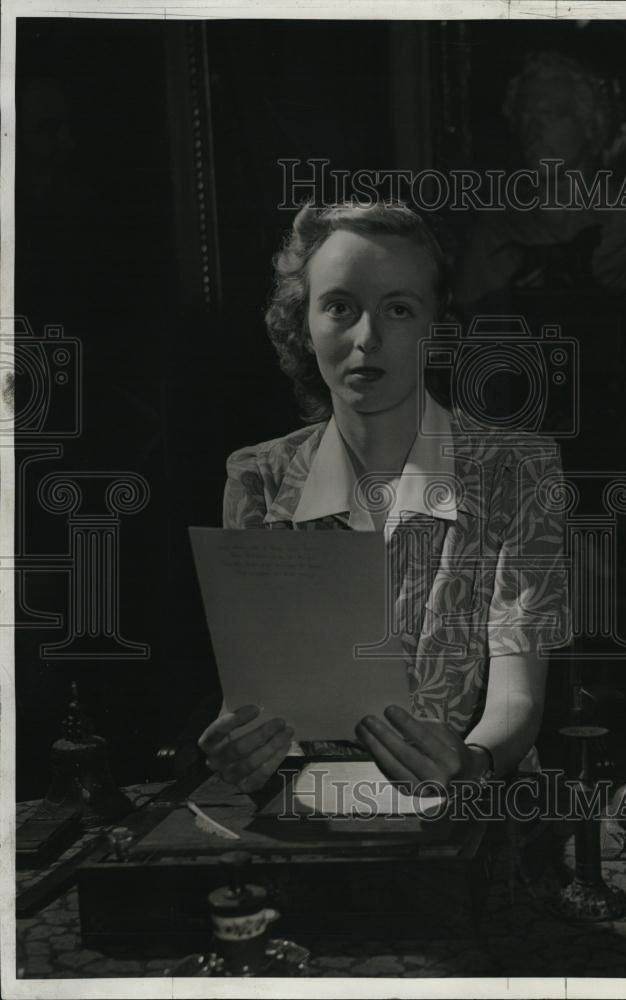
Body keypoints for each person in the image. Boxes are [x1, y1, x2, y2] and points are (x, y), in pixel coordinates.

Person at [198, 201, 569, 797]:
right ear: (302, 323)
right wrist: (238, 742)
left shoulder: (517, 472)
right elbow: (253, 691)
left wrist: (472, 761)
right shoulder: (258, 480)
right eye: (340, 307)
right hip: (313, 811)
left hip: (474, 809)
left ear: (436, 326)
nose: (367, 338)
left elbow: (516, 697)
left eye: (398, 309)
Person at [454, 51, 626, 366]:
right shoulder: (495, 227)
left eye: (550, 115)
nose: (534, 133)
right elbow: (472, 335)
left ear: (591, 123)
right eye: (525, 117)